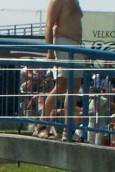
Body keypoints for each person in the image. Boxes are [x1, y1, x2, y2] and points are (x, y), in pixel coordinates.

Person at [37, 0, 83, 139]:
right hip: (63, 43)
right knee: (61, 85)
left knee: (75, 86)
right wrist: (50, 51)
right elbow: (49, 25)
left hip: (77, 46)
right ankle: (41, 125)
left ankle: (68, 130)